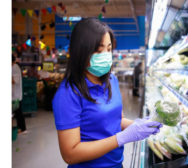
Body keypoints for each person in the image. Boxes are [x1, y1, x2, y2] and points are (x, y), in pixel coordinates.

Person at [52, 18, 162, 168]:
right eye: (98, 50)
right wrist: (120, 138)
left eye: (109, 49)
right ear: (81, 51)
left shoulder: (112, 81)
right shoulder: (68, 93)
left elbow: (117, 119)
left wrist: (141, 126)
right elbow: (70, 154)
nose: (105, 55)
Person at [12, 54, 27, 134]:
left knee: (18, 113)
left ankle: (23, 128)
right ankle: (20, 128)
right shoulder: (13, 67)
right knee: (17, 113)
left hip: (16, 95)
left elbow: (15, 81)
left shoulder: (15, 68)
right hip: (14, 95)